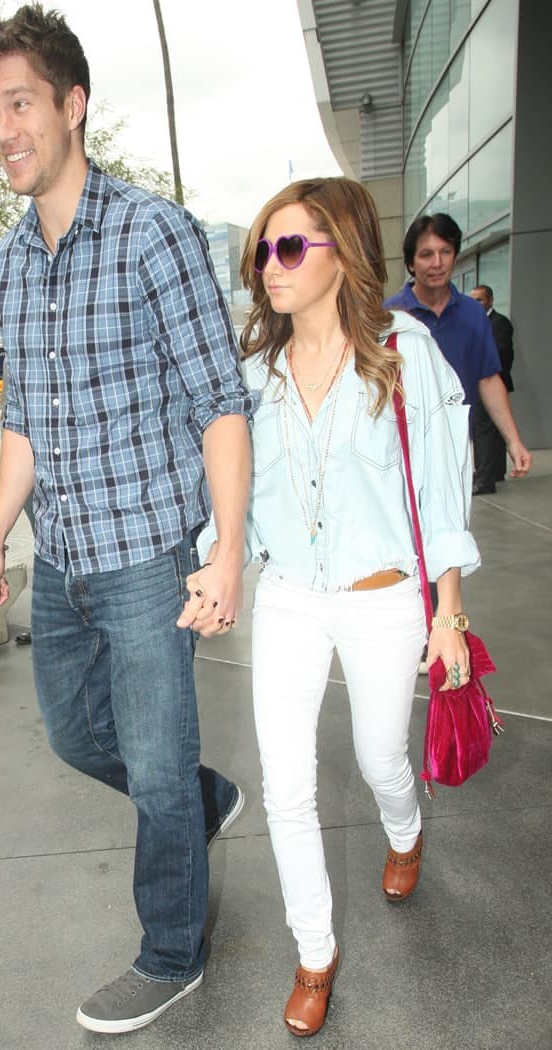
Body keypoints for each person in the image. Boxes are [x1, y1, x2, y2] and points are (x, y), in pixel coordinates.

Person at [0, 5, 255, 1035]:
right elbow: (26, 427)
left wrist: (224, 552)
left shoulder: (153, 234)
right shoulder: (8, 262)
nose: (2, 130)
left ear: (71, 106)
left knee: (156, 767)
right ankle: (200, 793)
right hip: (65, 560)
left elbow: (221, 401)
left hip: (146, 562)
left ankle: (170, 952)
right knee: (76, 735)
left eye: (21, 104)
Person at [188, 178, 480, 1037]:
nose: (268, 268)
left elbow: (441, 486)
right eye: (261, 252)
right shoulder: (254, 374)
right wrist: (219, 561)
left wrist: (447, 611)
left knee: (380, 753)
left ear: (339, 254)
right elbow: (232, 490)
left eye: (287, 249)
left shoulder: (404, 354)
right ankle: (314, 954)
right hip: (289, 598)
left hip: (383, 598)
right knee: (287, 784)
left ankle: (404, 826)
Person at [384, 213, 531, 490]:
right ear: (410, 263)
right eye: (426, 254)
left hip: (456, 445)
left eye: (445, 252)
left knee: (453, 529)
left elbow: (488, 378)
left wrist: (513, 440)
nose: (437, 263)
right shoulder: (390, 316)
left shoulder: (473, 313)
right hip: (401, 446)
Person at [469, 285, 515, 493]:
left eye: (479, 300)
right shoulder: (475, 322)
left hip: (491, 383)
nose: (475, 304)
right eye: (473, 301)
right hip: (479, 382)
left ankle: (484, 479)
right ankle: (494, 472)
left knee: (484, 432)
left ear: (490, 300)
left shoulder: (499, 323)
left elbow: (503, 352)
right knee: (490, 432)